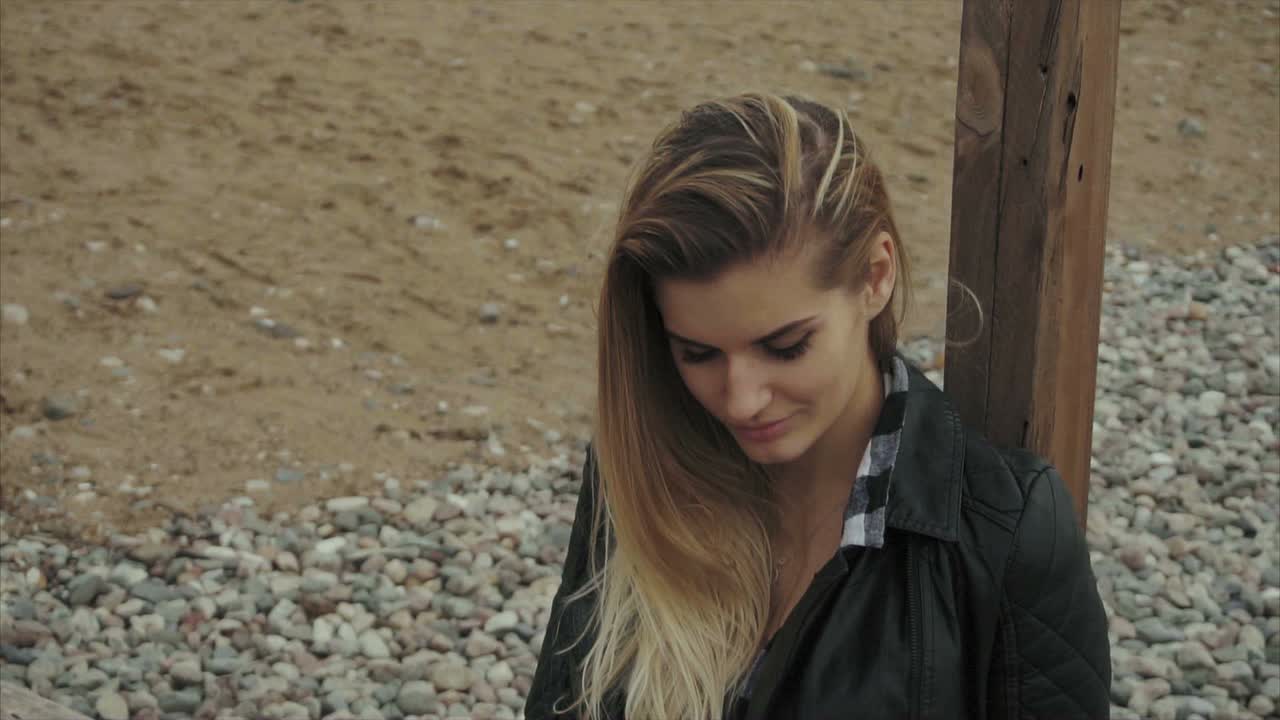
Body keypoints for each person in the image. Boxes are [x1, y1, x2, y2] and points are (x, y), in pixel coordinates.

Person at [525, 92, 1110, 719]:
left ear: (875, 276)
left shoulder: (1007, 533)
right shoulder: (639, 469)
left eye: (786, 346)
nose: (741, 400)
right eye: (697, 354)